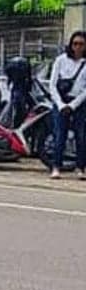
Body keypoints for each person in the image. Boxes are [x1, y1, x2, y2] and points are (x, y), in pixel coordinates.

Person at [47, 30, 86, 180]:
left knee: (80, 135)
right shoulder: (61, 60)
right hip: (60, 101)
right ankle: (56, 166)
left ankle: (80, 167)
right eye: (75, 43)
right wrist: (61, 104)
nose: (77, 47)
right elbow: (52, 84)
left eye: (81, 44)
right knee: (59, 135)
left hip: (79, 102)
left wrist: (74, 105)